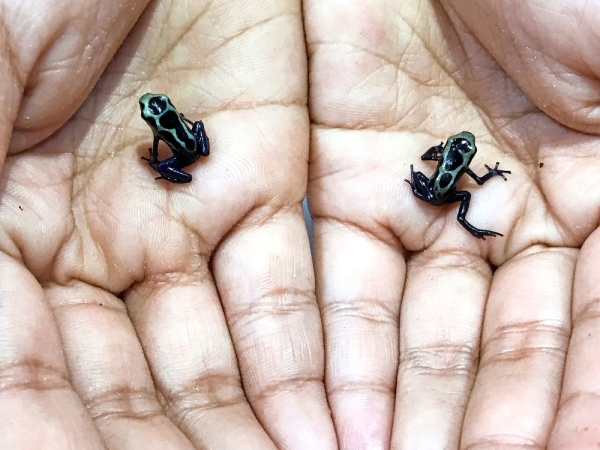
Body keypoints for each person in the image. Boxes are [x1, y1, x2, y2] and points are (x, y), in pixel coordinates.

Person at [1, 0, 598, 449]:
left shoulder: (447, 161)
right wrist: (468, 171)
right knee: (459, 200)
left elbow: (438, 161)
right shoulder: (459, 164)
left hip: (425, 191)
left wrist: (162, 165)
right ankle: (470, 219)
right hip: (444, 197)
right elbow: (452, 163)